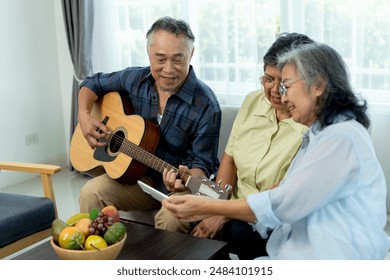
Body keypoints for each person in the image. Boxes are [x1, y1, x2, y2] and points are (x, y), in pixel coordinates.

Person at [162, 42, 390, 259]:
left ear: (318, 85)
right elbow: (284, 190)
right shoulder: (320, 135)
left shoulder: (340, 138)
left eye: (287, 85)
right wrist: (206, 198)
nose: (283, 95)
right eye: (273, 82)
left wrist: (209, 206)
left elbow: (282, 202)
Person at [155, 33, 314, 259]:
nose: (274, 90)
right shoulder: (252, 101)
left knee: (237, 233)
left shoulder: (311, 124)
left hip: (265, 216)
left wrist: (222, 214)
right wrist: (209, 195)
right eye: (268, 78)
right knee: (174, 210)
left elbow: (281, 193)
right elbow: (229, 160)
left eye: (284, 83)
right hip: (228, 200)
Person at [77, 16, 221, 214]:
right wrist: (84, 116)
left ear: (192, 53)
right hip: (134, 178)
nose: (168, 69)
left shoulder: (207, 105)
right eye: (160, 59)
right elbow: (93, 83)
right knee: (90, 192)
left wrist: (187, 182)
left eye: (178, 59)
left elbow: (201, 164)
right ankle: (104, 246)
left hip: (176, 188)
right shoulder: (134, 79)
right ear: (148, 53)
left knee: (171, 217)